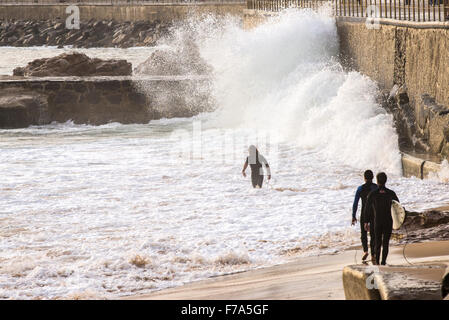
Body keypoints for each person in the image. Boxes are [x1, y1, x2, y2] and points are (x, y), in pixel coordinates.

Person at [364, 172, 399, 266]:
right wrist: (399, 221)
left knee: (377, 242)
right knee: (386, 243)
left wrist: (366, 222)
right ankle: (383, 262)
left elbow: (367, 208)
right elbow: (398, 208)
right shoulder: (391, 193)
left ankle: (378, 262)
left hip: (377, 221)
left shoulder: (373, 194)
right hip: (388, 221)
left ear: (377, 180)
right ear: (386, 180)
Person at [352, 170, 378, 263]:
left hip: (364, 213)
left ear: (364, 178)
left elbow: (355, 203)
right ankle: (373, 254)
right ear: (373, 177)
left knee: (363, 233)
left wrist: (353, 216)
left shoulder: (360, 188)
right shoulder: (376, 187)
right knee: (373, 234)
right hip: (374, 213)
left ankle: (365, 251)